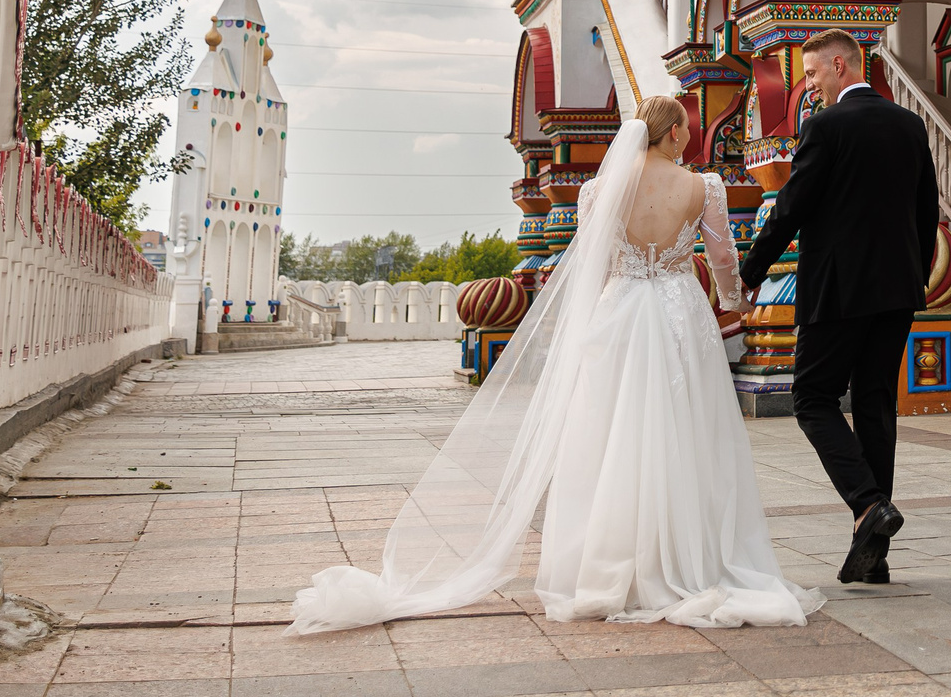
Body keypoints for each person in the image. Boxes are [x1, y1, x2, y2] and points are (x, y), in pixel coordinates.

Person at [289, 93, 823, 633]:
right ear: (677, 134)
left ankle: (613, 563)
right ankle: (691, 557)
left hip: (617, 318)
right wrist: (734, 300)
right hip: (681, 316)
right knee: (689, 432)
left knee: (612, 435)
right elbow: (724, 256)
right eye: (684, 129)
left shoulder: (597, 191)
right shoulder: (702, 186)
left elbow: (588, 265)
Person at [737, 28, 940, 586]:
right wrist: (914, 277)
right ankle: (874, 551)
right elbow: (928, 212)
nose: (810, 86)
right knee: (876, 403)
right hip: (897, 290)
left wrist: (749, 274)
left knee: (811, 396)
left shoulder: (824, 127)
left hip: (837, 290)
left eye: (813, 74)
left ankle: (868, 502)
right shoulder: (910, 125)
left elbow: (790, 210)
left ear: (840, 65)